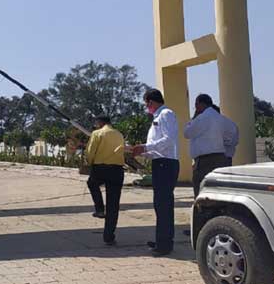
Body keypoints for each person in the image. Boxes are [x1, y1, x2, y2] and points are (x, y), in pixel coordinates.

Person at [132, 88, 180, 257]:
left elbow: (169, 140)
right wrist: (140, 151)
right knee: (160, 205)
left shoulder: (166, 114)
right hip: (160, 163)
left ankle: (165, 244)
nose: (147, 108)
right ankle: (162, 239)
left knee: (164, 205)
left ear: (151, 102)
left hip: (166, 164)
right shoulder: (157, 117)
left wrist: (145, 147)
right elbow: (157, 148)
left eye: (147, 104)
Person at [85, 115, 125, 246]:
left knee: (92, 183)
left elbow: (90, 152)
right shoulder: (119, 134)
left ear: (100, 123)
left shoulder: (97, 133)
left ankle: (99, 208)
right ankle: (109, 236)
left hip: (100, 168)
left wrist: (89, 163)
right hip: (117, 170)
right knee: (113, 204)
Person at [184, 94, 230, 198]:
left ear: (200, 104)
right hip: (221, 157)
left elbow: (187, 133)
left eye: (196, 105)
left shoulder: (201, 118)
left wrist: (194, 118)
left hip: (205, 160)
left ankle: (202, 213)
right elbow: (230, 136)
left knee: (201, 189)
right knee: (218, 190)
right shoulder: (220, 117)